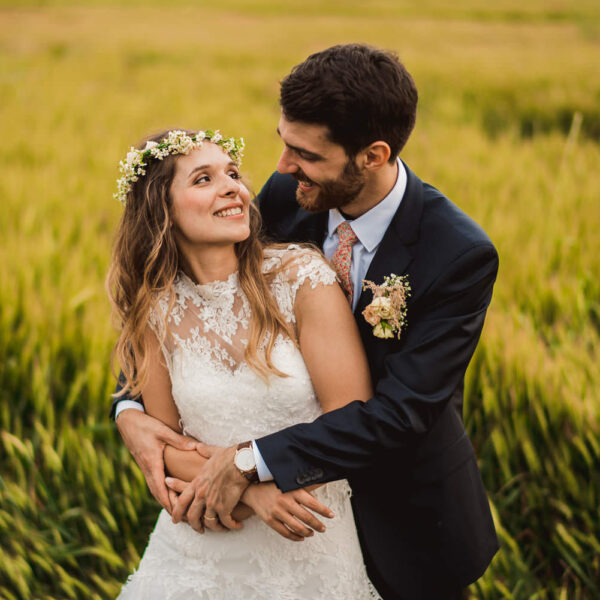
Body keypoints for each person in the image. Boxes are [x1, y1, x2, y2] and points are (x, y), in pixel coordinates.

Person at [114, 44, 500, 599]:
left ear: (371, 154)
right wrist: (128, 409)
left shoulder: (457, 254)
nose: (281, 169)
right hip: (255, 529)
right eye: (283, 144)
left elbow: (399, 412)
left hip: (405, 517)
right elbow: (194, 308)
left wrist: (250, 466)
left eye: (306, 154)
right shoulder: (285, 198)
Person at [108, 128, 380, 598]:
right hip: (202, 546)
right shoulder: (155, 309)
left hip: (309, 540)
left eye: (233, 173)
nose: (233, 186)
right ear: (162, 212)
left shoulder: (301, 277)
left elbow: (352, 417)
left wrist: (246, 471)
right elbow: (166, 447)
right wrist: (253, 491)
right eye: (203, 179)